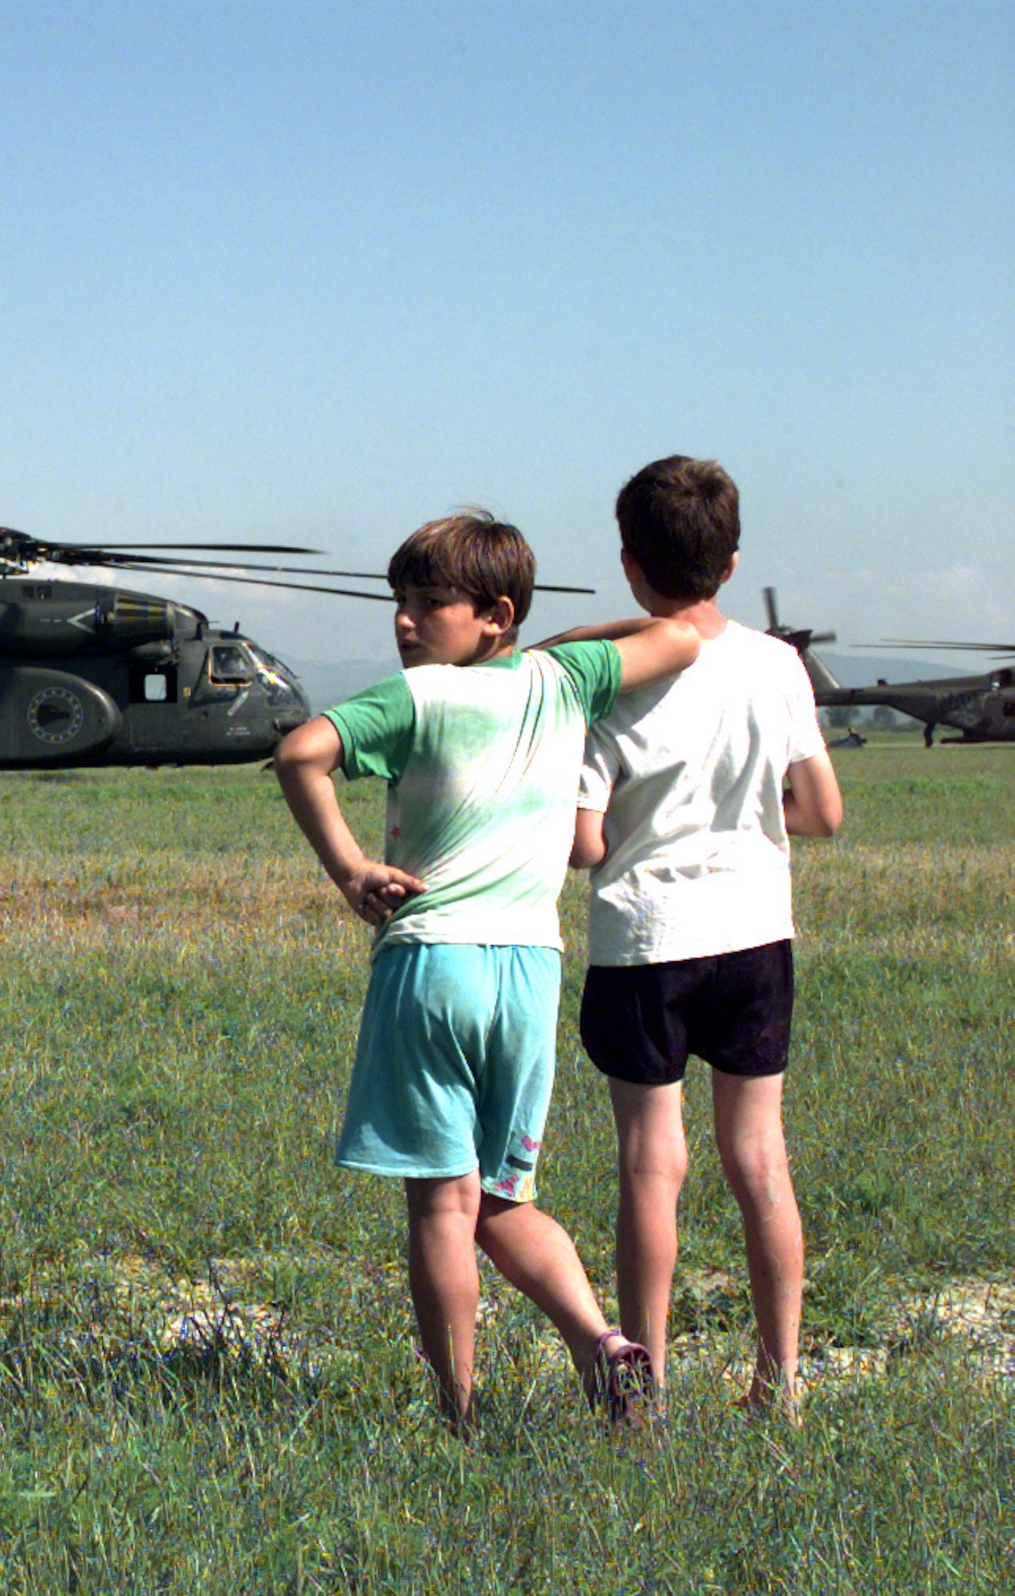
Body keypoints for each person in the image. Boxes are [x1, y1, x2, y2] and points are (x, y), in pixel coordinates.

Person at [275, 509, 700, 1430]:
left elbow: (300, 752)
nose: (404, 623)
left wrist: (352, 870)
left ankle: (457, 1414)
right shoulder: (562, 677)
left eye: (429, 604)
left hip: (432, 965)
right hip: (530, 969)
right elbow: (677, 635)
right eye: (400, 603)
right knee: (503, 1199)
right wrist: (540, 645)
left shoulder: (417, 696)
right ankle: (604, 1346)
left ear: (491, 613)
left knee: (441, 1205)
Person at [562, 457, 842, 1420]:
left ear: (631, 564)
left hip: (644, 940)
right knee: (760, 1156)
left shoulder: (610, 680)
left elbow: (585, 842)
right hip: (757, 934)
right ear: (730, 562)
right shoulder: (776, 663)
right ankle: (782, 1379)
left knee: (652, 1162)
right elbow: (824, 810)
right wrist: (750, 826)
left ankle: (648, 1387)